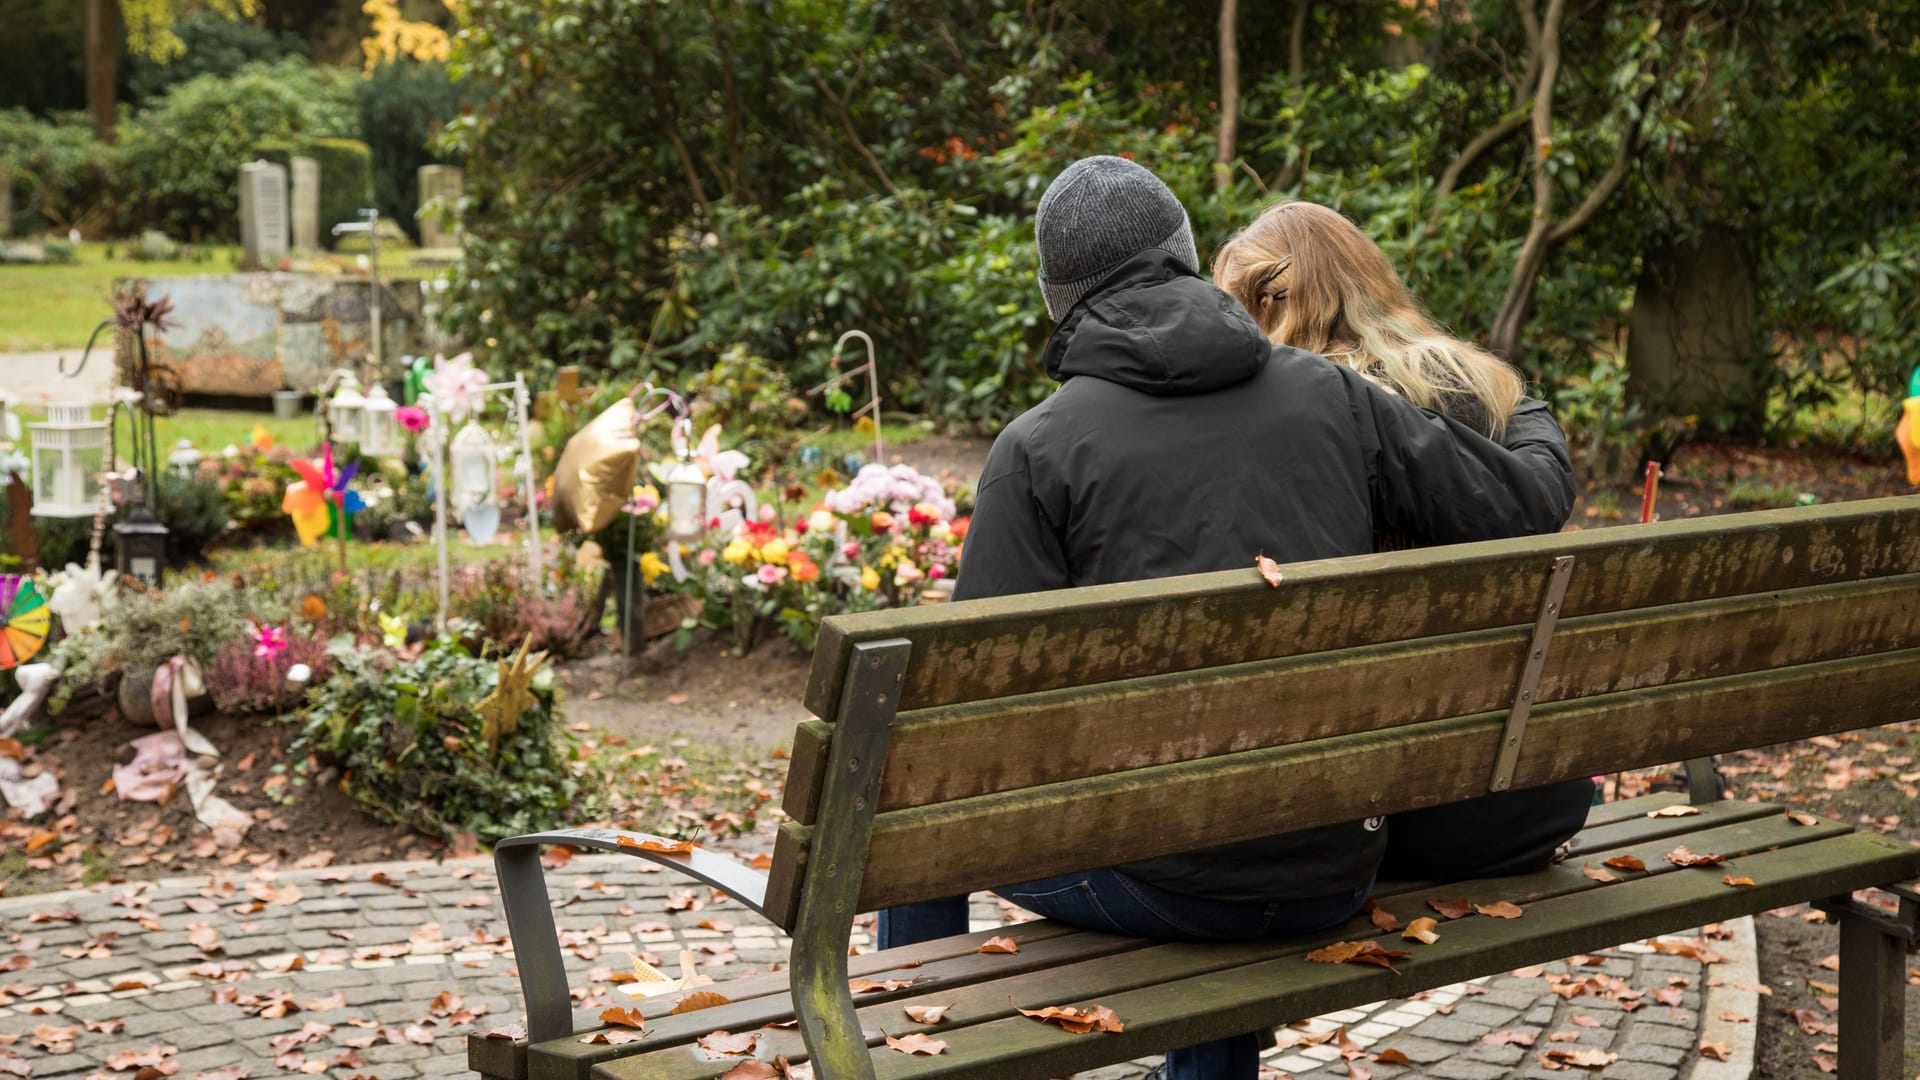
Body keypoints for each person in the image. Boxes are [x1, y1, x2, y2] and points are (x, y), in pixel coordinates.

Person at [877, 157, 1576, 1080]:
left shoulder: (1038, 450)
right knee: (1216, 809)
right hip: (1334, 860)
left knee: (907, 803)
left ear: (1059, 298)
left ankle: (909, 1050)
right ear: (1187, 256)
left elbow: (967, 724)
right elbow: (1518, 506)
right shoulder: (1334, 396)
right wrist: (1522, 406)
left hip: (1168, 878)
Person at [1211, 198, 1595, 881]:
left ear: (1263, 305)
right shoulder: (1489, 388)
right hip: (1535, 804)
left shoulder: (1286, 426)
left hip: (1391, 820)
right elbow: (1533, 489)